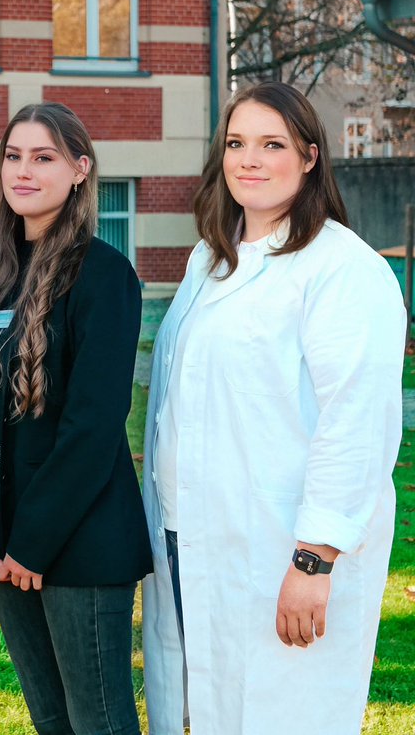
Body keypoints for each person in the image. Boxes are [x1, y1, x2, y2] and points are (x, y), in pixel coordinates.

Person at [141, 81, 406, 734]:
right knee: (201, 709)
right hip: (191, 535)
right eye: (236, 143)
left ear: (311, 157)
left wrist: (314, 558)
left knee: (281, 711)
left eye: (271, 144)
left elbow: (356, 424)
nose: (248, 160)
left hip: (284, 548)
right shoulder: (212, 257)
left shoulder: (342, 269)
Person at [0, 103, 150, 735]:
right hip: (7, 543)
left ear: (79, 170)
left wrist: (33, 543)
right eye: (13, 157)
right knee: (50, 720)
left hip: (81, 542)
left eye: (43, 158)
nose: (23, 172)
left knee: (99, 721)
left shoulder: (104, 275)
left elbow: (94, 425)